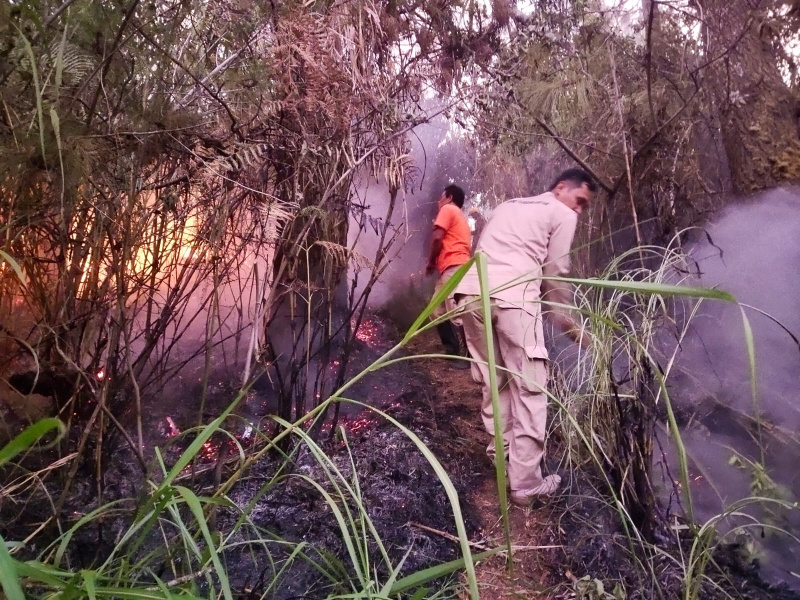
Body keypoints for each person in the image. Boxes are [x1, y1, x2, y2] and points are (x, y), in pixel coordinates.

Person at [455, 168, 596, 506]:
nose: (578, 210)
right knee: (531, 387)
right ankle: (525, 484)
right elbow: (556, 272)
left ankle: (502, 457)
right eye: (580, 201)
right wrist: (570, 325)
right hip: (514, 297)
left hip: (469, 294)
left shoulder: (508, 206)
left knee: (496, 380)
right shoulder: (561, 212)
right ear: (561, 188)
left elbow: (482, 249)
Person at [425, 184, 471, 369]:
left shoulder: (448, 209)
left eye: (441, 197)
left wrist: (430, 262)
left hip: (455, 266)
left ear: (450, 197)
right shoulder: (460, 217)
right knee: (436, 312)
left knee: (457, 312)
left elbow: (437, 238)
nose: (439, 201)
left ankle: (469, 358)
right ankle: (452, 353)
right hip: (452, 268)